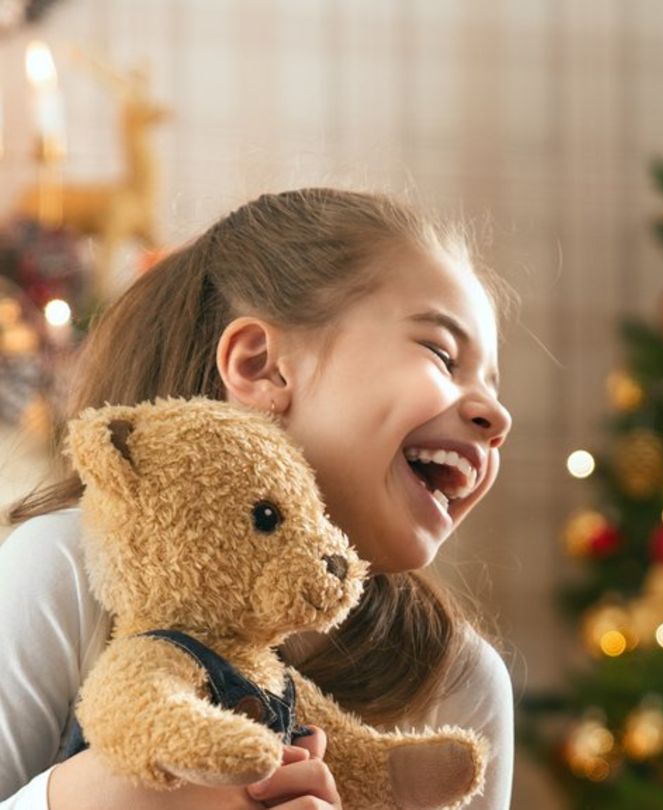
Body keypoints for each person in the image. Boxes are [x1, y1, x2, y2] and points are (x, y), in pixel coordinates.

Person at [0, 188, 515, 810]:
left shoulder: (459, 681)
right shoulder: (61, 569)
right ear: (262, 366)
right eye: (441, 352)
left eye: (492, 383)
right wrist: (88, 798)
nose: (498, 414)